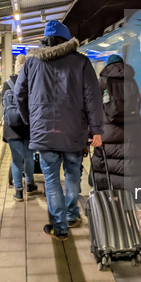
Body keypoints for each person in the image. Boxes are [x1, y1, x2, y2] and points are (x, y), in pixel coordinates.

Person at [15, 20, 104, 241]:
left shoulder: (30, 63)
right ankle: (73, 215)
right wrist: (97, 130)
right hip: (74, 132)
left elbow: (19, 95)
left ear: (45, 40)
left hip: (44, 133)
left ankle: (59, 227)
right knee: (73, 174)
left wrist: (31, 121)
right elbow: (93, 98)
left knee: (52, 179)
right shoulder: (82, 63)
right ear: (67, 40)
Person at [90, 55, 141, 200]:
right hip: (132, 131)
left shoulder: (102, 81)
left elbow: (94, 108)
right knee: (130, 164)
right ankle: (130, 200)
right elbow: (137, 105)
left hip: (107, 130)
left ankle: (108, 198)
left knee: (106, 165)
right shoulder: (132, 81)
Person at [3, 54, 39, 201]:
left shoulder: (7, 83)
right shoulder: (32, 82)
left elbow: (4, 106)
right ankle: (30, 185)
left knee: (16, 159)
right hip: (28, 126)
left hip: (12, 128)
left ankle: (18, 191)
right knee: (29, 157)